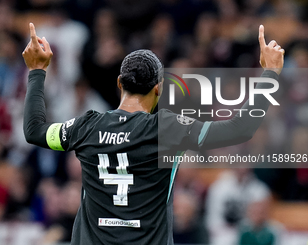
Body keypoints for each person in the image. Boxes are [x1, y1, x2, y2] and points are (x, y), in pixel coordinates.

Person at [22, 23, 284, 245]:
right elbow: (240, 128)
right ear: (159, 88)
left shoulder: (87, 126)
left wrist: (37, 71)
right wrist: (269, 73)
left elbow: (34, 131)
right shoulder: (168, 129)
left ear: (119, 83)